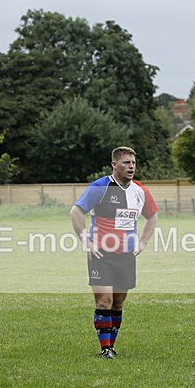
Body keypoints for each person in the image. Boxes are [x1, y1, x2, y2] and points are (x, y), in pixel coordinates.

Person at [70, 146, 158, 358]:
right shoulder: (100, 187)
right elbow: (76, 211)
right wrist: (86, 240)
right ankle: (105, 349)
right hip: (100, 255)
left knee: (118, 303)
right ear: (114, 164)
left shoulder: (140, 191)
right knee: (104, 301)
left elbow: (152, 216)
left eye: (133, 163)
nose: (131, 167)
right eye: (126, 162)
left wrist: (142, 243)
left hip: (126, 256)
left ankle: (111, 345)